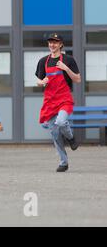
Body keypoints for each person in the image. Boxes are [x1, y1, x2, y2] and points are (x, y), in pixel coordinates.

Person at [36, 33, 81, 172]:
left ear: (61, 44)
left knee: (61, 122)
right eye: (50, 42)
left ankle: (71, 137)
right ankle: (63, 162)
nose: (52, 44)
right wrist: (41, 82)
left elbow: (78, 79)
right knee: (55, 134)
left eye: (55, 42)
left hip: (64, 99)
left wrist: (65, 68)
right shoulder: (43, 61)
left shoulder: (68, 60)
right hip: (50, 101)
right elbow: (38, 80)